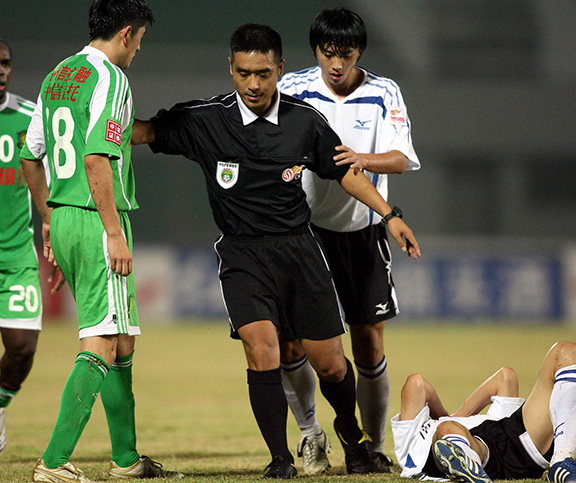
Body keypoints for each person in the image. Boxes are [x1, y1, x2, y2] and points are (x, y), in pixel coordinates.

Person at [133, 23, 420, 479]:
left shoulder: (304, 120)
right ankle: (281, 457)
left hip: (299, 252)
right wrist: (94, 118)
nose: (253, 84)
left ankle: (349, 431)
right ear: (230, 67)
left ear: (280, 70)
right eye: (244, 72)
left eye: (263, 73)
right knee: (262, 349)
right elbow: (143, 132)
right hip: (242, 256)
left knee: (329, 363)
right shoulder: (206, 119)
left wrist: (390, 215)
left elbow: (343, 170)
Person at [20, 1, 183, 481]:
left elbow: (32, 157)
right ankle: (53, 463)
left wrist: (50, 217)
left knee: (123, 340)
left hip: (65, 216)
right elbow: (96, 158)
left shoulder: (57, 76)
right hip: (95, 220)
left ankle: (127, 460)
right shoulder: (110, 78)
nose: (138, 50)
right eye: (140, 41)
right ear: (127, 33)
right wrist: (114, 233)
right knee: (103, 342)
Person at [277, 7, 421, 474]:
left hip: (362, 231)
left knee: (369, 345)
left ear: (360, 52)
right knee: (293, 344)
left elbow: (400, 159)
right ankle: (310, 437)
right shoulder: (294, 88)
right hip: (305, 233)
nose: (336, 64)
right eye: (327, 53)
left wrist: (358, 158)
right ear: (316, 50)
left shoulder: (383, 92)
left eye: (347, 54)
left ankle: (373, 447)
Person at [391, 341, 576, 483]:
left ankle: (562, 461)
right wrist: (446, 417)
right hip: (474, 447)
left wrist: (457, 415)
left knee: (566, 351)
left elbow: (505, 377)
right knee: (448, 432)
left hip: (514, 440)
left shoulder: (458, 421)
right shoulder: (412, 440)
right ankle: (472, 468)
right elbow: (415, 383)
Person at [0, 38, 62, 455]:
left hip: (16, 255)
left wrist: (54, 227)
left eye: (4, 63)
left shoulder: (27, 116)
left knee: (22, 348)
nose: (1, 71)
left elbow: (54, 176)